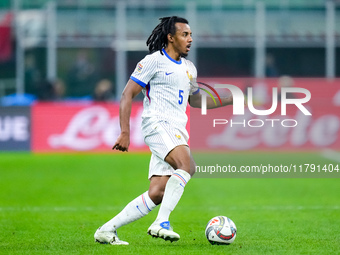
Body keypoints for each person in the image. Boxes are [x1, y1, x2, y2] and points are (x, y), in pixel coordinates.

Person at [94, 16, 233, 245]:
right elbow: (127, 94)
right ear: (171, 37)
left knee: (158, 192)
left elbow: (196, 101)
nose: (190, 39)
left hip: (177, 129)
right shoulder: (153, 61)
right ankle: (161, 222)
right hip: (157, 124)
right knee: (187, 165)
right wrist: (125, 132)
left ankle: (107, 230)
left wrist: (230, 100)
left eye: (191, 35)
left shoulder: (189, 68)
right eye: (184, 35)